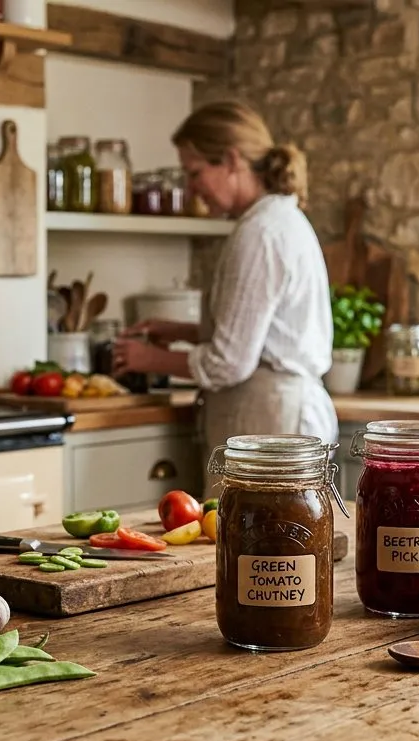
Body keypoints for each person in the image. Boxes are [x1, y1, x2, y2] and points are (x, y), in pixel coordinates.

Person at [113, 101, 337, 477]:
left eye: (195, 172)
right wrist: (180, 331)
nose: (191, 187)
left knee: (253, 535)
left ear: (232, 160)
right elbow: (264, 334)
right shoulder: (277, 220)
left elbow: (229, 362)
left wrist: (148, 359)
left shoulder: (260, 234)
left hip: (271, 422)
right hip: (278, 414)